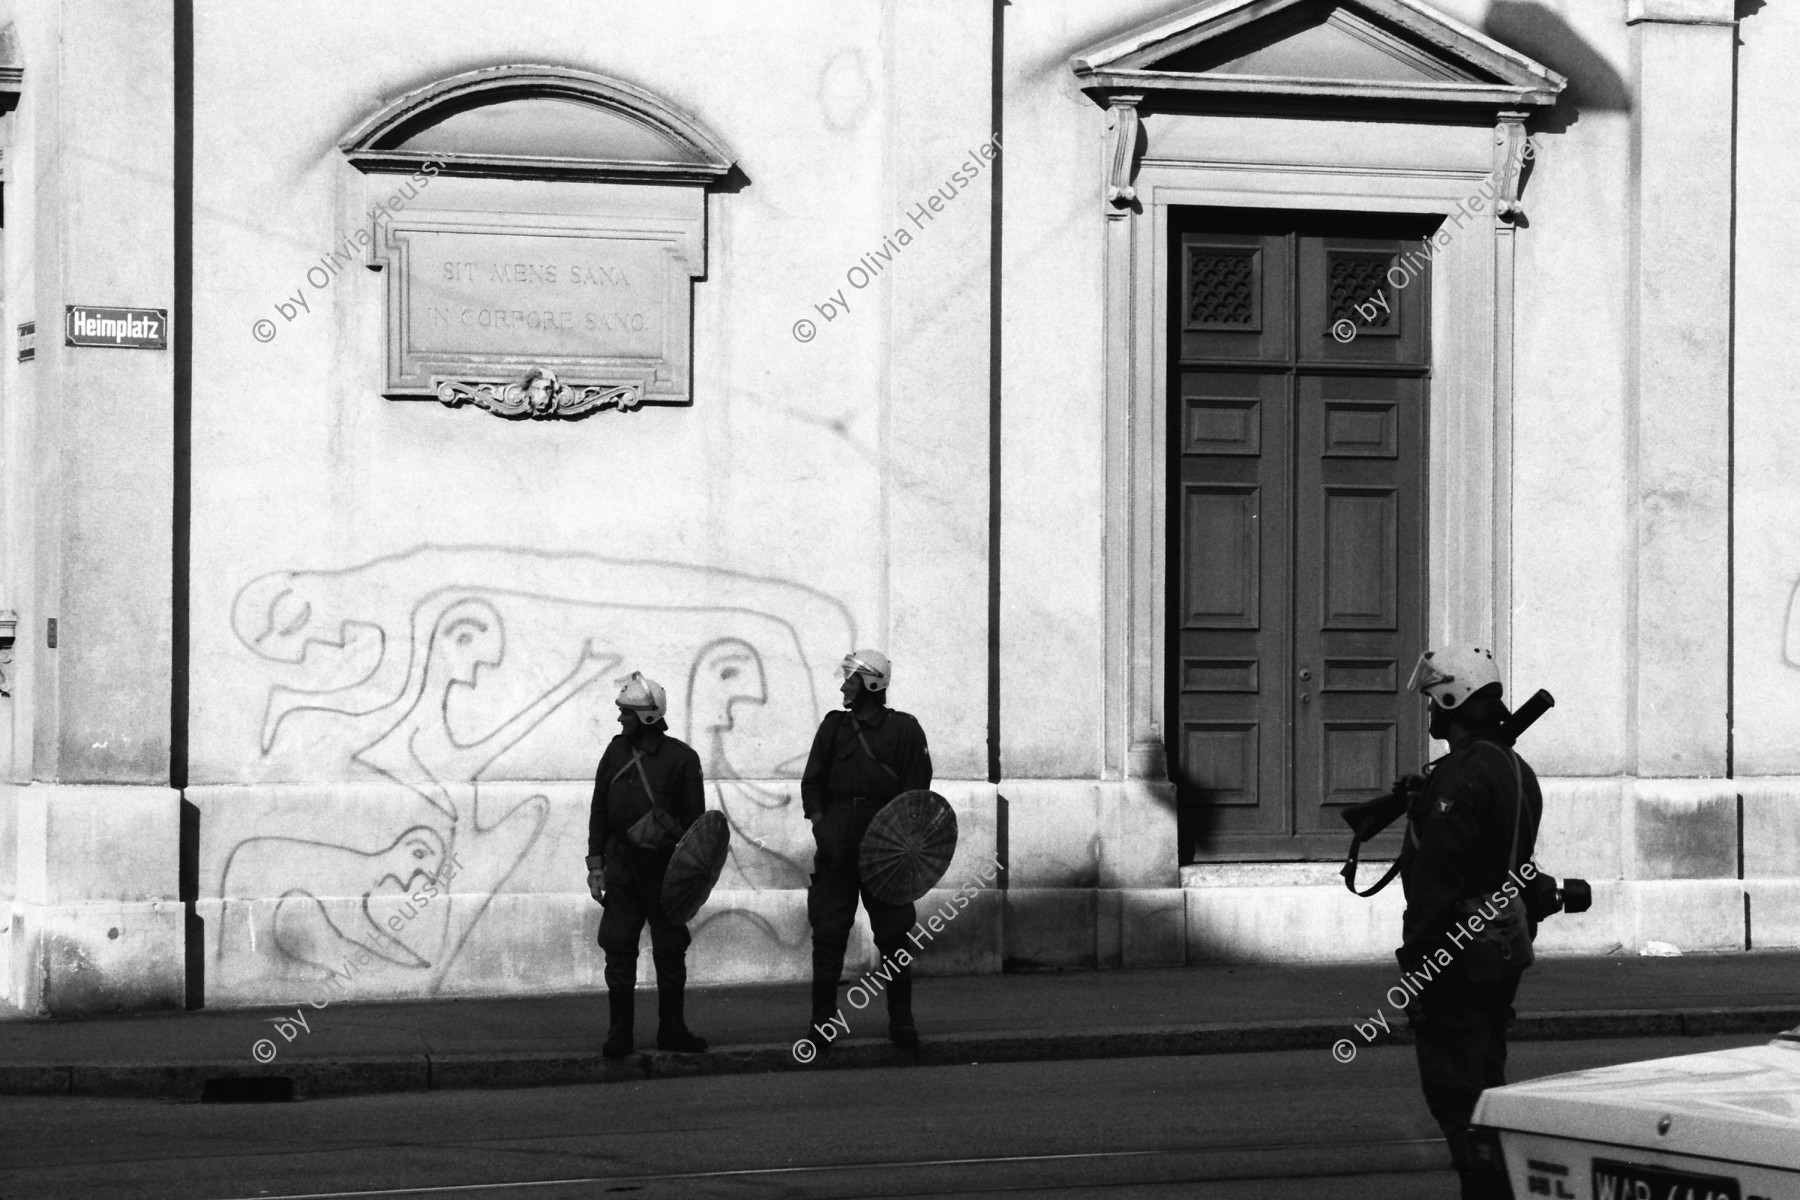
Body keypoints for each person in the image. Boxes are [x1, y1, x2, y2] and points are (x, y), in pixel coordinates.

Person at [1398, 645, 1543, 1200]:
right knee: (1486, 1091)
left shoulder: (1459, 778)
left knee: (1459, 1102)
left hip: (1454, 959)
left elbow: (1436, 885)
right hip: (1500, 950)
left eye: (1435, 699)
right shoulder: (1516, 770)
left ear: (1455, 700)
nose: (1430, 710)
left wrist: (1417, 968)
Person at [798, 649, 932, 1053]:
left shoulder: (905, 730)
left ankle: (901, 1020)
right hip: (837, 846)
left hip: (886, 848)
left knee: (894, 936)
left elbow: (917, 792)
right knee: (829, 934)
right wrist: (823, 827)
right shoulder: (834, 728)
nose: (843, 686)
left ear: (871, 684)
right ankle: (822, 1023)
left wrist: (900, 843)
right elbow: (812, 784)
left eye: (851, 679)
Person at [586, 672, 709, 1057]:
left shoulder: (682, 760)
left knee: (670, 949)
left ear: (649, 716)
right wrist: (595, 865)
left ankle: (672, 1029)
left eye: (627, 713)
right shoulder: (614, 753)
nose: (620, 719)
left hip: (664, 870)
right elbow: (599, 811)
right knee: (618, 946)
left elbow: (696, 826)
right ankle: (619, 1033)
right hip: (622, 866)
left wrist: (684, 870)